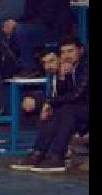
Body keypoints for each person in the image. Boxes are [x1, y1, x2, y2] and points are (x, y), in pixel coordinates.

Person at [11, 36, 88, 172]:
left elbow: (78, 95)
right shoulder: (67, 69)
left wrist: (49, 102)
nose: (66, 56)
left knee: (67, 110)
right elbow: (64, 95)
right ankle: (38, 152)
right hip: (77, 109)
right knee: (58, 110)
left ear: (80, 51)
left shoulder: (86, 66)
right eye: (63, 52)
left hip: (83, 108)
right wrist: (64, 77)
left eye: (70, 51)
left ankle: (57, 155)